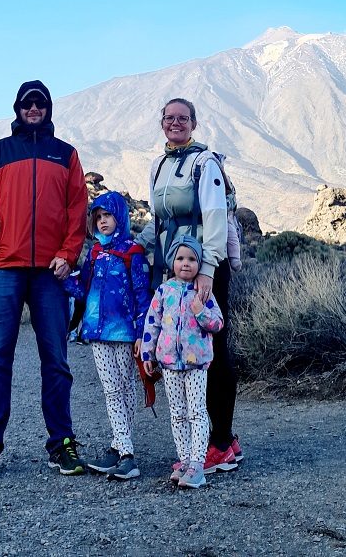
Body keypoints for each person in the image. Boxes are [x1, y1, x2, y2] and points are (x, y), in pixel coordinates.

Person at [0, 80, 88, 481]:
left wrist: (68, 255)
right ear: (17, 108)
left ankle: (61, 444)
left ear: (48, 109)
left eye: (41, 103)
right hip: (4, 267)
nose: (34, 109)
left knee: (56, 361)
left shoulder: (66, 155)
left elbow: (76, 210)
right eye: (27, 103)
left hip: (50, 273)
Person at [148, 96, 241, 472]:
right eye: (169, 118)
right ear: (162, 123)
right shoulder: (159, 165)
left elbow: (216, 216)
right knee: (185, 348)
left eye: (183, 118)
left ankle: (220, 442)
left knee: (213, 347)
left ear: (194, 123)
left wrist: (208, 268)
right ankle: (203, 443)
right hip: (174, 271)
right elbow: (158, 219)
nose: (176, 123)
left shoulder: (205, 164)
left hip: (204, 269)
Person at [63, 190, 152, 481]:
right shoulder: (96, 253)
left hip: (125, 333)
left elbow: (142, 296)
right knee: (114, 389)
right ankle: (120, 447)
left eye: (108, 215)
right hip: (98, 333)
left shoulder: (133, 254)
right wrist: (62, 279)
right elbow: (85, 287)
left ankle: (126, 453)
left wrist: (142, 333)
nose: (102, 221)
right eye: (98, 217)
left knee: (122, 389)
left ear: (120, 217)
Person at [140, 235, 224, 488]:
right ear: (171, 261)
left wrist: (200, 310)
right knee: (177, 414)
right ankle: (185, 460)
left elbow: (217, 323)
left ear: (199, 263)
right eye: (180, 258)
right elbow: (151, 323)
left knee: (196, 412)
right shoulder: (164, 291)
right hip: (168, 363)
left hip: (196, 364)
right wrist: (148, 354)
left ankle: (198, 464)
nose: (185, 264)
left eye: (191, 259)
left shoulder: (204, 292)